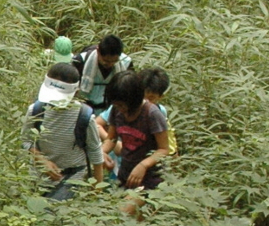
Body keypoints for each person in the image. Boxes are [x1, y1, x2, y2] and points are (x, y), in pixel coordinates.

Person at [23, 62, 104, 200]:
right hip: (39, 179)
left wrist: (96, 191)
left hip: (72, 178)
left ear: (75, 93)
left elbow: (95, 152)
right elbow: (26, 140)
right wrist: (42, 160)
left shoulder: (84, 117)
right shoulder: (35, 111)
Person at [101, 71, 169, 212]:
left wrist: (143, 166)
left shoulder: (152, 114)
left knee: (121, 213)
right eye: (116, 105)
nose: (120, 110)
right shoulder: (116, 110)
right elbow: (112, 138)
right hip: (126, 174)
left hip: (150, 178)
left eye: (122, 106)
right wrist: (102, 152)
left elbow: (164, 149)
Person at [74, 35, 133, 111]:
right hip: (83, 110)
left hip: (111, 111)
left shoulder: (126, 63)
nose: (110, 64)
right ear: (98, 51)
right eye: (106, 61)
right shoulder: (81, 61)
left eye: (114, 61)